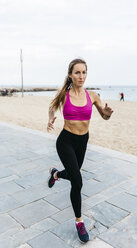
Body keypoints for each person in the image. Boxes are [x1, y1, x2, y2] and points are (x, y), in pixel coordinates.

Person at [47, 58, 113, 243]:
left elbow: (104, 116)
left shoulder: (92, 96)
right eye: (77, 72)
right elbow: (52, 108)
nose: (81, 76)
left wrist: (107, 113)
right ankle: (79, 221)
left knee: (72, 174)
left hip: (83, 141)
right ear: (70, 74)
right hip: (66, 141)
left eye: (84, 72)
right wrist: (51, 118)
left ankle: (56, 175)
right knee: (77, 181)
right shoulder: (64, 94)